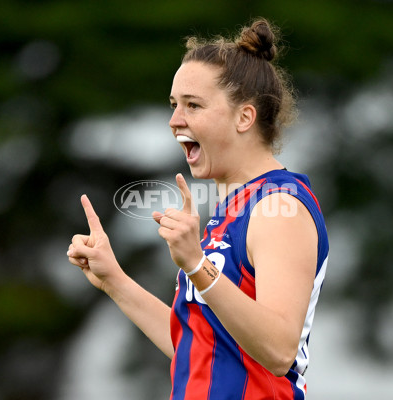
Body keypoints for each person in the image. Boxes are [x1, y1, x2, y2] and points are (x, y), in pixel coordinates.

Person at [67, 18, 329, 400]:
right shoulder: (230, 211)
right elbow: (198, 349)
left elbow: (278, 350)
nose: (175, 121)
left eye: (193, 105)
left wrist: (195, 263)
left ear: (245, 117)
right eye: (174, 105)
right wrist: (114, 281)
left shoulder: (280, 206)